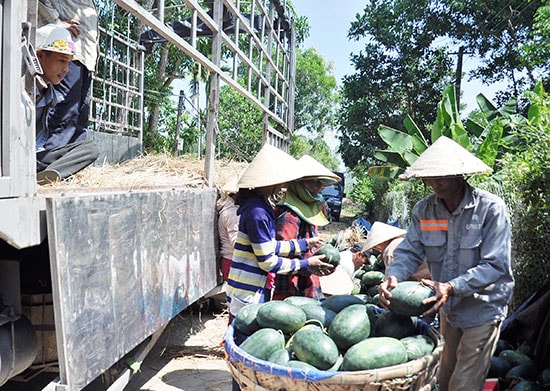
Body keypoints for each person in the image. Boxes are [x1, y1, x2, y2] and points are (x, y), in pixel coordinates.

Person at [378, 136, 514, 391]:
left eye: (442, 176)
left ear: (460, 175)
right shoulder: (424, 210)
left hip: (483, 308)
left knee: (464, 384)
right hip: (448, 309)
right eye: (430, 177)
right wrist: (394, 275)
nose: (434, 183)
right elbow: (409, 251)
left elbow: (496, 265)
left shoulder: (490, 210)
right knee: (444, 378)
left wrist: (451, 286)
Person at [225, 144, 334, 321]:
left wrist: (304, 244)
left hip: (254, 288)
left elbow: (268, 246)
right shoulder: (257, 212)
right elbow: (267, 261)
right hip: (248, 292)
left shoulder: (260, 207)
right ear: (271, 181)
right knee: (244, 334)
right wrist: (306, 265)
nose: (284, 183)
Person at [36, 1, 99, 184]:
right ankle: (49, 175)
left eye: (66, 64)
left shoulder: (49, 91)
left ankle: (63, 174)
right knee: (64, 116)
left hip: (85, 58)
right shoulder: (27, 88)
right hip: (66, 47)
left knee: (80, 120)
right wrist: (56, 22)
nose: (64, 69)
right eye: (62, 63)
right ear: (40, 55)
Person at [271, 155, 341, 301]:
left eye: (319, 182)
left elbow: (311, 245)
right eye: (312, 182)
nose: (318, 187)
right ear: (298, 183)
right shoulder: (289, 213)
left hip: (306, 283)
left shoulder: (307, 210)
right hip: (290, 289)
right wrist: (309, 264)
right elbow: (283, 251)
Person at [362, 221, 430, 281]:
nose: (377, 249)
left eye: (376, 246)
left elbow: (393, 280)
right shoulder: (402, 241)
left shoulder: (390, 251)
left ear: (382, 242)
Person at [217, 176, 241, 282]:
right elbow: (236, 243)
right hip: (233, 261)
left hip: (230, 260)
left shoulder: (230, 209)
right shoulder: (233, 213)